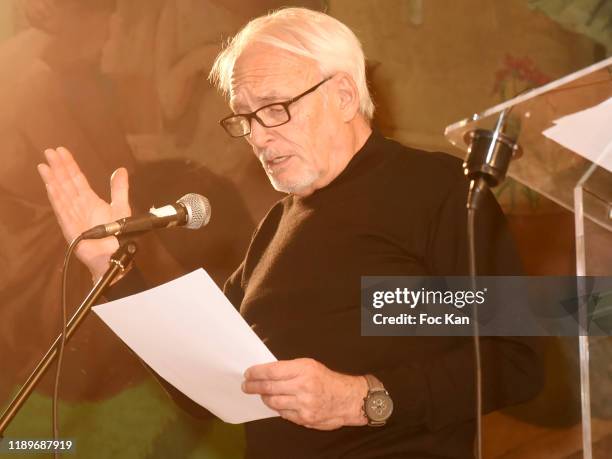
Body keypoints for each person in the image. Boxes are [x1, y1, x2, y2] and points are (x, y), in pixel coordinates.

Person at [38, 7, 543, 458]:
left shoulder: (435, 188)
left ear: (344, 95)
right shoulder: (276, 227)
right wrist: (110, 266)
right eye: (245, 118)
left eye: (276, 108)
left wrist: (364, 397)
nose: (258, 136)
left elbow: (514, 359)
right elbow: (202, 394)